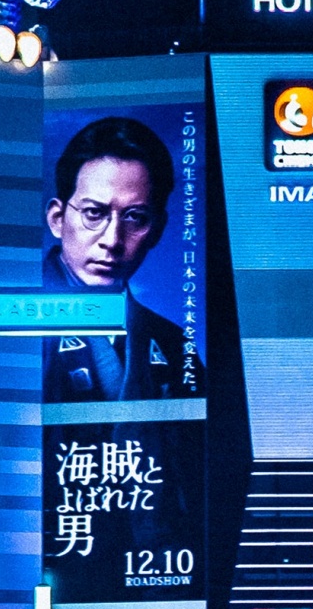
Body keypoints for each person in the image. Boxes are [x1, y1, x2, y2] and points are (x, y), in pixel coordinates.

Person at [41, 116, 203, 398]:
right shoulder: (17, 324)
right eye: (94, 213)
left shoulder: (174, 343)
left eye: (134, 218)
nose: (112, 240)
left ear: (157, 230)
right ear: (57, 219)